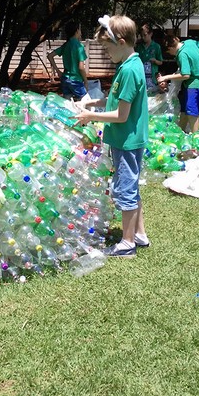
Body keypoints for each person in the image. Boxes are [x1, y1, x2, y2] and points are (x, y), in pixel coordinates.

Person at [75, 15, 149, 258]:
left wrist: (90, 117)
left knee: (125, 188)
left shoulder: (129, 70)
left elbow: (121, 115)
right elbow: (117, 100)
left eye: (107, 48)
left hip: (126, 140)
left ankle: (127, 244)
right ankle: (139, 234)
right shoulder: (128, 65)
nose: (106, 53)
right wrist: (96, 102)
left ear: (121, 41)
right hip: (128, 138)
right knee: (132, 186)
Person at [157, 34, 199, 133]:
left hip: (196, 82)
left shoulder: (182, 54)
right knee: (185, 109)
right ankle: (181, 132)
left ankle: (195, 136)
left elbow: (186, 75)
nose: (172, 54)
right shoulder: (189, 42)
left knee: (191, 111)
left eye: (169, 52)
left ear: (170, 47)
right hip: (198, 80)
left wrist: (166, 77)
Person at [47, 20, 88, 100]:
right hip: (76, 80)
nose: (80, 32)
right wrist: (86, 81)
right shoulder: (79, 46)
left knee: (67, 104)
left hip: (65, 79)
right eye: (79, 30)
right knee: (85, 103)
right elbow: (81, 67)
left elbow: (50, 56)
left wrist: (58, 71)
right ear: (76, 31)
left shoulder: (66, 45)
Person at [135, 23, 162, 91]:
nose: (143, 37)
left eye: (145, 35)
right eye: (142, 35)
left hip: (152, 77)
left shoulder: (156, 46)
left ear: (151, 34)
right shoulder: (139, 47)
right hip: (141, 76)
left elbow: (160, 62)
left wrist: (155, 61)